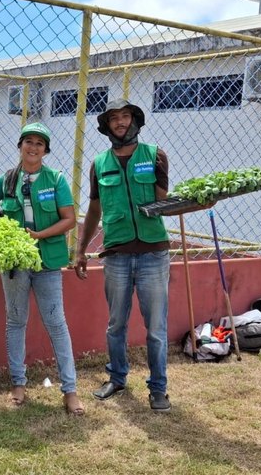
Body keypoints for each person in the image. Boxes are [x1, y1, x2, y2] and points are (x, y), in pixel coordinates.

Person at [0, 122, 84, 415]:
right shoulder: (8, 180)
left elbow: (69, 219)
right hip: (14, 264)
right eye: (28, 142)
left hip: (46, 262)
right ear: (20, 146)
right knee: (16, 321)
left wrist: (38, 236)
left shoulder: (56, 180)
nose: (33, 148)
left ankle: (70, 390)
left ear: (45, 150)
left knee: (56, 324)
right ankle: (18, 384)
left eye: (39, 144)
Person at [74, 98, 180, 412]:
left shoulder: (155, 155)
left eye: (125, 117)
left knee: (156, 328)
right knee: (116, 323)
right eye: (114, 119)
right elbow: (94, 210)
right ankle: (117, 378)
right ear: (106, 126)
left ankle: (158, 389)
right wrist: (81, 250)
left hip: (153, 254)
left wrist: (199, 202)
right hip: (117, 255)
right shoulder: (99, 164)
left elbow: (166, 201)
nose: (120, 123)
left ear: (135, 120)